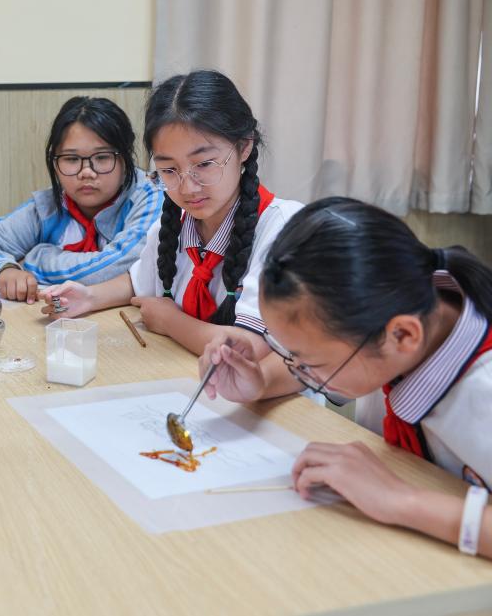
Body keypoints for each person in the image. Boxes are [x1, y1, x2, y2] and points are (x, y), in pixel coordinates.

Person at [200, 197, 491, 558]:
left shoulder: (483, 390)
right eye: (292, 355)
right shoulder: (402, 314)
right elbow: (334, 360)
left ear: (402, 336)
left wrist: (400, 499)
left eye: (310, 362)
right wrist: (261, 381)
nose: (301, 370)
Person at [41, 70, 302, 355]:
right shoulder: (174, 224)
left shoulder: (285, 229)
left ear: (243, 147)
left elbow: (250, 349)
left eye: (204, 164)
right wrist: (89, 297)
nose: (187, 187)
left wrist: (170, 321)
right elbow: (139, 280)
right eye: (168, 169)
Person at [0, 96, 161, 303]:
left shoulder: (150, 196)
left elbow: (119, 265)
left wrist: (36, 259)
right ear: (55, 163)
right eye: (72, 159)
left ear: (126, 159)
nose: (87, 172)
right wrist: (3, 270)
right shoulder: (51, 205)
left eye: (102, 157)